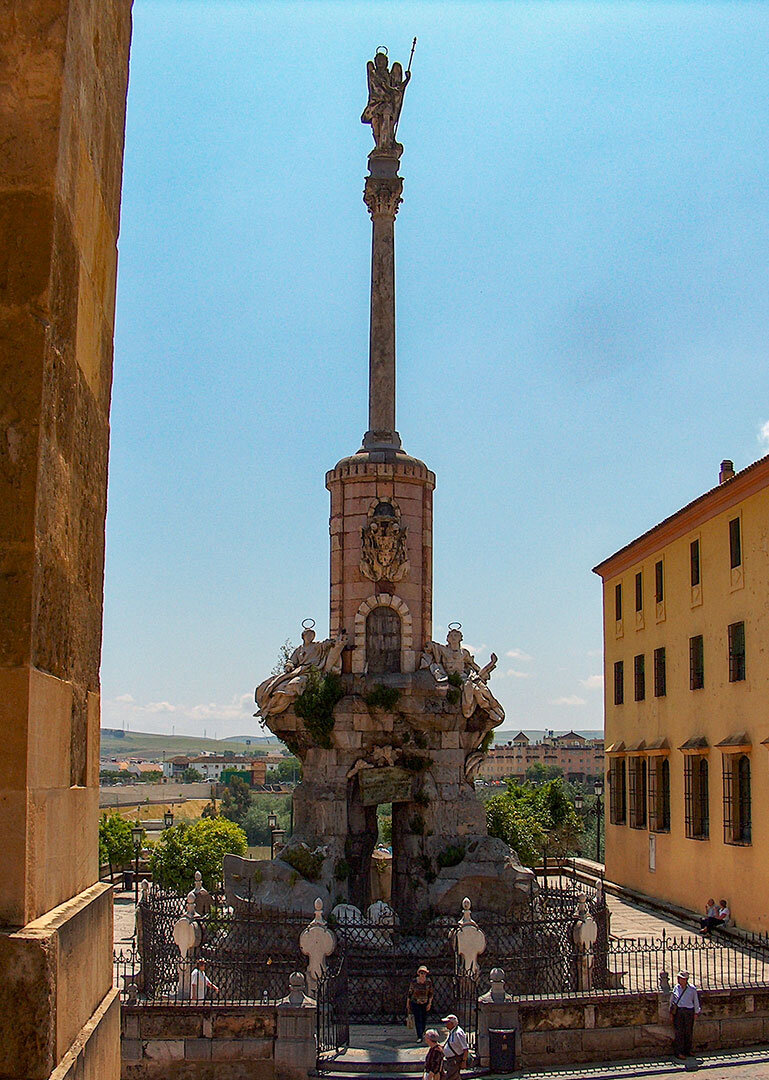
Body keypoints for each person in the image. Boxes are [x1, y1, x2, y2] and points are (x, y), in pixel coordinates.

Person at [669, 970, 701, 1059]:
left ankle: (688, 1050)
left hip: (689, 1011)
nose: (679, 980)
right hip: (679, 1011)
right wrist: (671, 1013)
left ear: (686, 979)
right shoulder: (676, 988)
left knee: (688, 1032)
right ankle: (679, 1052)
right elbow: (672, 1001)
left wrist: (696, 1012)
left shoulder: (692, 989)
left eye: (681, 978)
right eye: (679, 978)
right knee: (679, 1032)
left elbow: (696, 1001)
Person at [407, 965, 434, 1041]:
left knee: (423, 1019)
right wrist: (408, 1003)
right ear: (419, 973)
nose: (423, 974)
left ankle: (422, 1032)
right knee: (418, 1018)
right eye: (421, 973)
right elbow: (410, 992)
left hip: (425, 1002)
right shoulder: (414, 981)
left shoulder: (428, 982)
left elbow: (431, 993)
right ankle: (419, 1035)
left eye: (424, 973)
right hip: (415, 1002)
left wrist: (429, 1003)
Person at [442, 1013, 469, 1080]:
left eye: (447, 1022)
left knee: (451, 1077)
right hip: (451, 1060)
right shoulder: (451, 1031)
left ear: (452, 1023)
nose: (446, 1024)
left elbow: (465, 1049)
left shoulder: (458, 1033)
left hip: (455, 1060)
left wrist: (464, 1061)